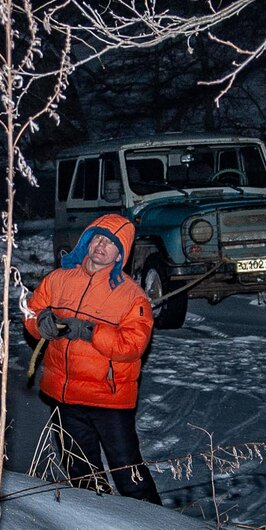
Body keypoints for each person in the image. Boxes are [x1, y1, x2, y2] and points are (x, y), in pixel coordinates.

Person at [25, 213, 161, 504]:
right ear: (86, 240)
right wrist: (40, 322)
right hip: (65, 396)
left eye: (111, 243)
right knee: (80, 469)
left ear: (120, 253)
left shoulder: (131, 296)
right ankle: (96, 522)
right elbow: (32, 311)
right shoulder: (58, 279)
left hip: (108, 399)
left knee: (127, 470)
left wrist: (90, 332)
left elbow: (133, 345)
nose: (101, 245)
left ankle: (155, 524)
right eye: (97, 237)